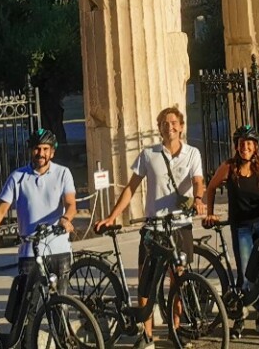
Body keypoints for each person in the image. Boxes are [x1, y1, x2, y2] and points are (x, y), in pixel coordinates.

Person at [94, 107, 205, 347]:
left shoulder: (192, 153)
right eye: (165, 123)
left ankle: (175, 331)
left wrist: (198, 199)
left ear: (182, 126)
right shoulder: (148, 154)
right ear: (159, 128)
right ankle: (147, 335)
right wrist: (113, 216)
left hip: (179, 226)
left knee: (179, 280)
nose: (170, 127)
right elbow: (131, 188)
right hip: (154, 228)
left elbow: (198, 181)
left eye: (174, 122)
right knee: (146, 284)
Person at [0, 128, 77, 319]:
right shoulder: (17, 177)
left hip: (59, 249)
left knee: (60, 308)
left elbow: (71, 204)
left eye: (46, 149)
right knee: (27, 310)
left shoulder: (63, 173)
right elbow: (0, 211)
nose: (41, 153)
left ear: (52, 152)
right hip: (30, 252)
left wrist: (66, 218)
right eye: (37, 149)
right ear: (31, 151)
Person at [201, 125, 259, 338]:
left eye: (249, 144)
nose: (245, 147)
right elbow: (210, 188)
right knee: (245, 274)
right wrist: (209, 213)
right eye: (241, 144)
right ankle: (240, 317)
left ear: (255, 147)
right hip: (242, 227)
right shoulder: (228, 167)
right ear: (237, 146)